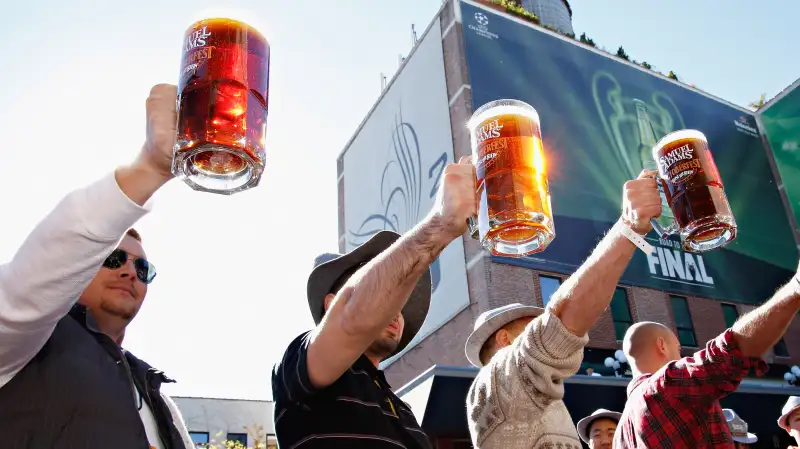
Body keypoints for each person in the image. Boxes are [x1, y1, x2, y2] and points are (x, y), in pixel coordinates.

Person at [0, 84, 194, 449]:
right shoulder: (20, 347)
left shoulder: (155, 392)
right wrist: (149, 170)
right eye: (113, 258)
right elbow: (19, 296)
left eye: (142, 268)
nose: (128, 273)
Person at [271, 156, 477, 448]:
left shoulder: (399, 407)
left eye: (398, 301)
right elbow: (353, 319)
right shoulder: (297, 362)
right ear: (331, 304)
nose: (395, 309)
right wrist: (442, 223)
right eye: (378, 290)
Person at [464, 170, 663, 448]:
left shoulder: (537, 398)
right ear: (504, 339)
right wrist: (629, 227)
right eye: (529, 329)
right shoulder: (498, 381)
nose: (539, 332)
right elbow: (559, 324)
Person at [614, 267, 800, 447]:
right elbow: (726, 353)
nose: (680, 357)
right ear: (662, 346)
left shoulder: (619, 434)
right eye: (677, 349)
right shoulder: (665, 386)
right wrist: (794, 289)